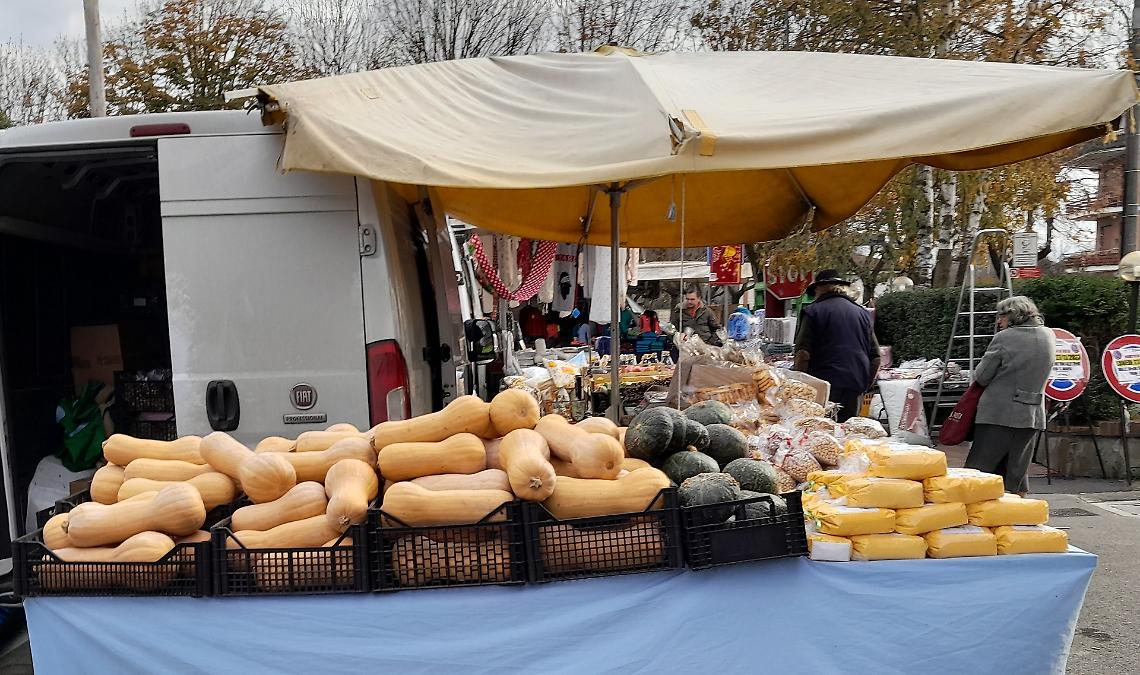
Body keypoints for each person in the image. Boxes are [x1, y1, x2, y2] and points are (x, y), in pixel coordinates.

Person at [965, 296, 1054, 496]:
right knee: (1016, 472)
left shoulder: (1005, 337)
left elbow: (982, 376)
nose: (999, 321)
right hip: (1032, 414)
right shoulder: (1049, 335)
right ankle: (1017, 518)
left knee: (980, 471)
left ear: (1014, 315)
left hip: (999, 413)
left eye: (1002, 316)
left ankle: (977, 520)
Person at [793, 269, 881, 422]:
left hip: (822, 385)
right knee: (849, 433)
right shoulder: (863, 314)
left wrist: (800, 386)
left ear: (819, 289)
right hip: (854, 385)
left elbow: (803, 353)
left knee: (820, 435)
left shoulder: (813, 311)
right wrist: (865, 385)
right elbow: (876, 358)